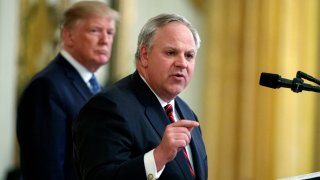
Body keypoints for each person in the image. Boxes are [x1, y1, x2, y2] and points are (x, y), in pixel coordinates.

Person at [73, 13, 208, 180]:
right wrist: (158, 157)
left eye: (189, 55)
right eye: (171, 52)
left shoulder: (187, 112)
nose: (182, 63)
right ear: (145, 55)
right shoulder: (108, 107)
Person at [16, 1, 119, 179]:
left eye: (110, 32)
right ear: (69, 36)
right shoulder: (47, 87)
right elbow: (45, 170)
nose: (105, 40)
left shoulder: (96, 87)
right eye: (95, 30)